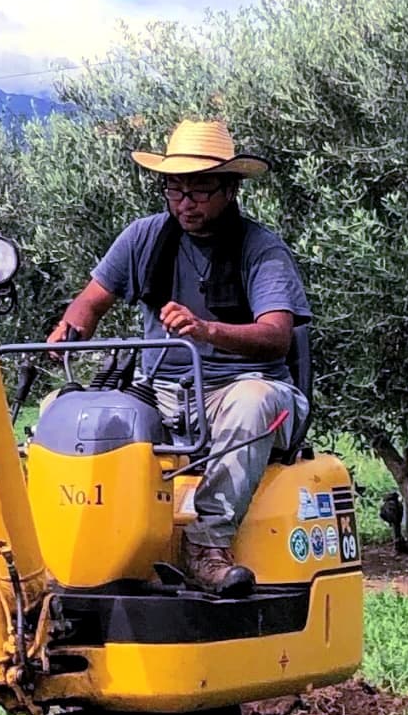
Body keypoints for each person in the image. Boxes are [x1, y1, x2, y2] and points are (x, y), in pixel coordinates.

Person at [46, 119, 310, 596]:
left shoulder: (262, 250)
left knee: (250, 403)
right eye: (174, 189)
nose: (185, 202)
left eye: (200, 190)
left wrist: (207, 330)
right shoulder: (143, 238)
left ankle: (207, 548)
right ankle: (79, 544)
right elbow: (90, 301)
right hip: (162, 392)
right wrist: (70, 330)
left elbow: (277, 337)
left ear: (231, 189)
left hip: (242, 387)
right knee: (61, 411)